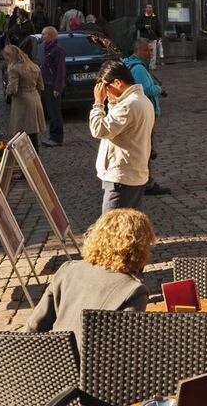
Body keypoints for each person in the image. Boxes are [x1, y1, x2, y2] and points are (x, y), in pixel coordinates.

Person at [25, 208, 153, 355]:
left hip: (54, 365)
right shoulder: (133, 290)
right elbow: (123, 353)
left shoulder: (68, 270)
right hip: (92, 373)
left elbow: (34, 326)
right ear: (140, 248)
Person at [89, 59, 155, 214]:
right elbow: (118, 125)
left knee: (112, 230)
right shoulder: (141, 100)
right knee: (127, 227)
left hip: (122, 177)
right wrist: (112, 101)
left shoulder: (128, 106)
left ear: (117, 83)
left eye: (105, 86)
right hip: (132, 174)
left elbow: (99, 129)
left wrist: (98, 104)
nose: (103, 91)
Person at [124, 39, 170, 197]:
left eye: (151, 50)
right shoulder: (138, 68)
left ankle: (141, 180)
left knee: (145, 148)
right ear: (137, 51)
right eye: (146, 51)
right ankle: (146, 182)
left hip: (142, 112)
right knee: (145, 149)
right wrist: (159, 88)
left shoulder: (136, 65)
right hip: (145, 113)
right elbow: (145, 89)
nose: (150, 54)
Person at [2, 44, 46, 148]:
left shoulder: (14, 69)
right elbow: (41, 86)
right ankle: (35, 157)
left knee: (21, 132)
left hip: (22, 102)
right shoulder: (34, 66)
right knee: (33, 133)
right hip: (35, 99)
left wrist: (7, 95)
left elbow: (13, 89)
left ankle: (25, 159)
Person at [39, 26, 66, 148]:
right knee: (50, 111)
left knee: (55, 112)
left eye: (44, 34)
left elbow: (61, 70)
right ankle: (52, 136)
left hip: (53, 85)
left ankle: (57, 138)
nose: (42, 36)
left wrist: (57, 87)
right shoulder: (46, 49)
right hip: (47, 84)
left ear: (50, 36)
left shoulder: (57, 50)